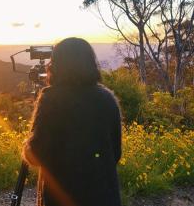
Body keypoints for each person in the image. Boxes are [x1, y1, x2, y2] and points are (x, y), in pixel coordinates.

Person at [22, 37, 122, 206]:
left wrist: (26, 146)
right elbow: (116, 153)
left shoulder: (51, 99)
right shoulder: (108, 98)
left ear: (56, 65)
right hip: (104, 197)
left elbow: (36, 155)